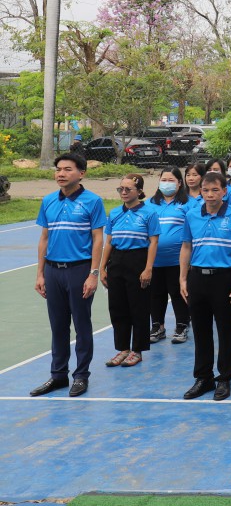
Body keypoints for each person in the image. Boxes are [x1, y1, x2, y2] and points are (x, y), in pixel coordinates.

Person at [31, 153, 107, 398]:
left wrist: (93, 274)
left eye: (67, 169)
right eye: (58, 169)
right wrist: (40, 273)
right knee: (58, 326)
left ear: (81, 173)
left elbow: (98, 240)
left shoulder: (93, 201)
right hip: (53, 272)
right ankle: (58, 375)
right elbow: (44, 239)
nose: (60, 174)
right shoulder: (48, 201)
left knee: (82, 325)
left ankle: (81, 376)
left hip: (79, 270)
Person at [180, 172, 231, 401]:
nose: (210, 194)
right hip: (197, 278)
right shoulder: (191, 215)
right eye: (205, 190)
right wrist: (183, 278)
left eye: (215, 190)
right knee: (200, 331)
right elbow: (186, 248)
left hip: (224, 279)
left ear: (224, 192)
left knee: (226, 329)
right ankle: (203, 377)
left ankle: (224, 378)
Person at [99, 174, 159, 369]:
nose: (123, 192)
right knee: (117, 307)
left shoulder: (149, 213)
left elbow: (153, 242)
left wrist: (148, 268)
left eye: (128, 189)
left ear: (139, 192)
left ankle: (138, 350)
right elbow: (108, 242)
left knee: (138, 307)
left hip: (138, 260)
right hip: (117, 261)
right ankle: (123, 348)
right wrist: (102, 268)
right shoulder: (115, 213)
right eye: (120, 189)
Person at [149, 167, 192, 345]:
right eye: (163, 180)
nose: (166, 183)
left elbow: (193, 232)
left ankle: (182, 326)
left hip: (178, 260)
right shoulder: (150, 204)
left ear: (179, 183)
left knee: (178, 293)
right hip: (154, 261)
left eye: (171, 180)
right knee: (155, 294)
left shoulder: (188, 203)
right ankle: (157, 326)